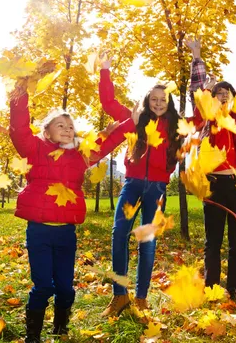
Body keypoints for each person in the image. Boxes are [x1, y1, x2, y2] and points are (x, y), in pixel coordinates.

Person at [9, 79, 136, 342]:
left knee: (66, 289)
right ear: (47, 132)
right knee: (44, 286)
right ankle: (32, 335)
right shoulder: (35, 148)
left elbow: (111, 141)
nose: (67, 130)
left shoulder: (81, 155)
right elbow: (19, 130)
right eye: (60, 126)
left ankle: (60, 328)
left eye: (70, 127)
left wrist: (132, 121)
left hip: (66, 233)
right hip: (39, 232)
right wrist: (20, 95)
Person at [99, 55, 182, 316]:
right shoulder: (135, 118)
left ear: (168, 103)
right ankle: (119, 296)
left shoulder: (175, 125)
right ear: (147, 101)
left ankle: (141, 298)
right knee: (119, 234)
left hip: (156, 190)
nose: (158, 103)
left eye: (163, 100)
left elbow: (202, 116)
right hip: (133, 185)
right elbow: (108, 102)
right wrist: (105, 70)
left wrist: (202, 83)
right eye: (154, 99)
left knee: (147, 243)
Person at [185, 36, 236, 303]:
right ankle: (212, 288)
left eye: (227, 91)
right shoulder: (207, 117)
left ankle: (235, 289)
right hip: (214, 184)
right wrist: (196, 55)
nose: (223, 93)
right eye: (218, 91)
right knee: (213, 241)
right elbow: (197, 86)